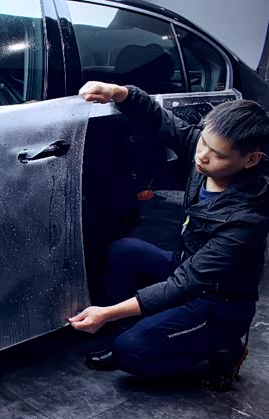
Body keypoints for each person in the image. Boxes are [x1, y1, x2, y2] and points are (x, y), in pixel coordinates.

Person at [70, 81, 269, 391]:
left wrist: (107, 314)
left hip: (217, 303)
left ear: (251, 160)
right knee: (123, 251)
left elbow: (186, 283)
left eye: (216, 154)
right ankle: (146, 331)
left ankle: (224, 347)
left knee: (129, 352)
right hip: (184, 265)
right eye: (203, 143)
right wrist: (119, 92)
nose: (202, 156)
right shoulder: (205, 154)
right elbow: (162, 121)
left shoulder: (246, 221)